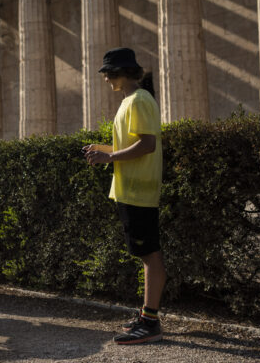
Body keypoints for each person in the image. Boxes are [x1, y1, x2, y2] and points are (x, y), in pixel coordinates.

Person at [83, 47, 166, 345]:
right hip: (132, 189)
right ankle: (147, 317)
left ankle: (151, 322)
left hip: (139, 190)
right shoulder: (131, 101)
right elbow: (133, 144)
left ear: (121, 73)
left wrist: (110, 157)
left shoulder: (140, 99)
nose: (105, 79)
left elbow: (147, 145)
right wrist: (104, 149)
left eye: (108, 73)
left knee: (150, 256)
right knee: (146, 255)